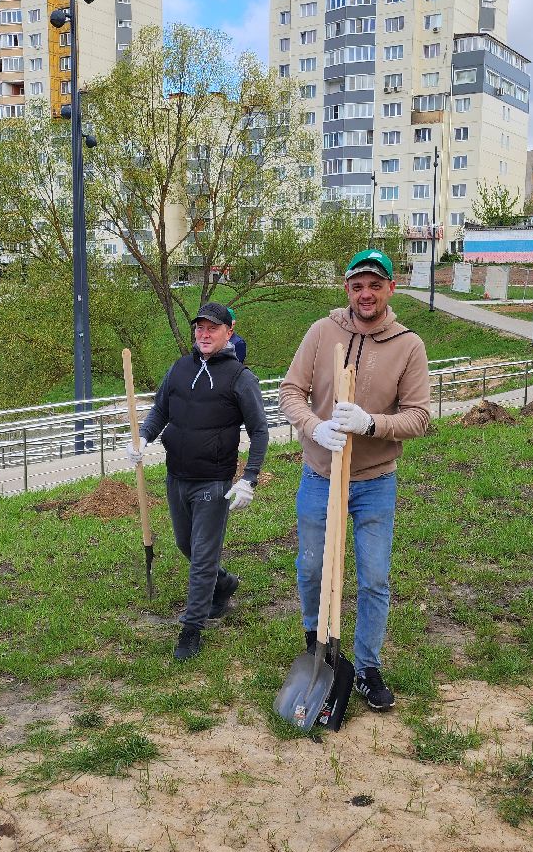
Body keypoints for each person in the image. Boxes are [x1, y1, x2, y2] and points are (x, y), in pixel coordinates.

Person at [278, 250, 431, 712]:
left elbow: (420, 416)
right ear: (347, 289)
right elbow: (290, 392)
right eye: (357, 285)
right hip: (320, 475)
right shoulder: (322, 333)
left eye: (375, 285)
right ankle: (315, 645)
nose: (366, 294)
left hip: (373, 482)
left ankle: (366, 666)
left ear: (390, 288)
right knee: (311, 567)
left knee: (374, 577)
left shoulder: (408, 345)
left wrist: (372, 424)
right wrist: (313, 426)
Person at [129, 301, 270, 660]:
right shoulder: (179, 368)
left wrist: (249, 478)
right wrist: (143, 438)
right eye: (199, 328)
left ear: (229, 331)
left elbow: (260, 431)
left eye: (213, 328)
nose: (204, 334)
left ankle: (192, 629)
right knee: (186, 545)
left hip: (214, 481)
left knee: (203, 555)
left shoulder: (240, 378)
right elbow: (161, 409)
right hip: (177, 476)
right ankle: (223, 585)